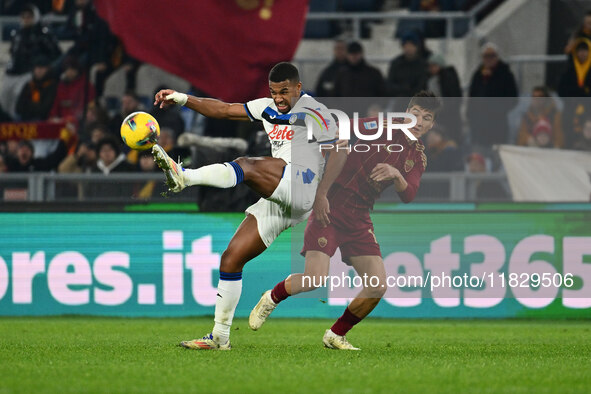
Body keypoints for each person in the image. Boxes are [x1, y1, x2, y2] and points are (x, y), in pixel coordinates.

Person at [151, 62, 347, 350]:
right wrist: (182, 98)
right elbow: (223, 109)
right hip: (281, 192)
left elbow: (340, 150)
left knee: (246, 165)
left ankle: (185, 178)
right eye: (273, 91)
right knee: (231, 258)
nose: (278, 98)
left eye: (284, 92)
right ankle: (220, 338)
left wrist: (323, 194)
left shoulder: (315, 111)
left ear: (298, 88)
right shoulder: (266, 107)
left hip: (304, 185)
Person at [249, 91, 440, 350]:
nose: (418, 121)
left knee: (377, 286)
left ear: (431, 125)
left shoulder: (417, 156)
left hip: (359, 216)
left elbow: (409, 194)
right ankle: (272, 297)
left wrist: (396, 174)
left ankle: (336, 334)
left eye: (426, 118)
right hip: (330, 205)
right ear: (405, 112)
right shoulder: (379, 126)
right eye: (415, 113)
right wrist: (321, 192)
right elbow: (339, 129)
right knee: (314, 279)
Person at [0, 4, 61, 118]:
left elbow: (55, 53)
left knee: (18, 96)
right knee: (4, 97)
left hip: (29, 72)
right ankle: (6, 122)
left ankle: (16, 122)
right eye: (24, 16)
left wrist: (42, 65)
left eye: (29, 16)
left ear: (35, 17)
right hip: (13, 73)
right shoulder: (17, 34)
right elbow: (13, 53)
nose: (26, 19)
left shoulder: (43, 34)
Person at [467, 42, 518, 147]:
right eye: (486, 56)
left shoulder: (506, 74)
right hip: (479, 124)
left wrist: (498, 110)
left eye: (492, 56)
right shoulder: (478, 75)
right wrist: (470, 115)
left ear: (497, 57)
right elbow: (472, 97)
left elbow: (513, 99)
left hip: (497, 124)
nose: (489, 59)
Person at [426, 53, 463, 143]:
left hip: (448, 117)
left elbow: (454, 99)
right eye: (430, 66)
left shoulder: (448, 78)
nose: (431, 68)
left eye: (434, 65)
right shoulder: (431, 79)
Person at [49, 56, 95, 126]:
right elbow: (56, 104)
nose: (70, 72)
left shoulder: (86, 86)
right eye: (67, 70)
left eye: (72, 69)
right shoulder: (61, 86)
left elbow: (90, 105)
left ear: (77, 70)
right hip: (62, 122)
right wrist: (53, 117)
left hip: (80, 122)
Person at [15, 55, 58, 121]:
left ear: (48, 69)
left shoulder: (51, 86)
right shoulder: (29, 85)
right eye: (37, 68)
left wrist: (28, 105)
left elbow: (44, 109)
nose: (39, 71)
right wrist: (32, 107)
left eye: (42, 68)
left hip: (43, 120)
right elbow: (18, 107)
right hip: (25, 118)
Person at [387, 31, 429, 98]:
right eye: (406, 45)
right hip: (398, 99)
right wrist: (402, 88)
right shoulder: (396, 63)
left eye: (411, 45)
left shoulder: (422, 64)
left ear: (416, 47)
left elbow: (422, 85)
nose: (409, 48)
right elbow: (390, 84)